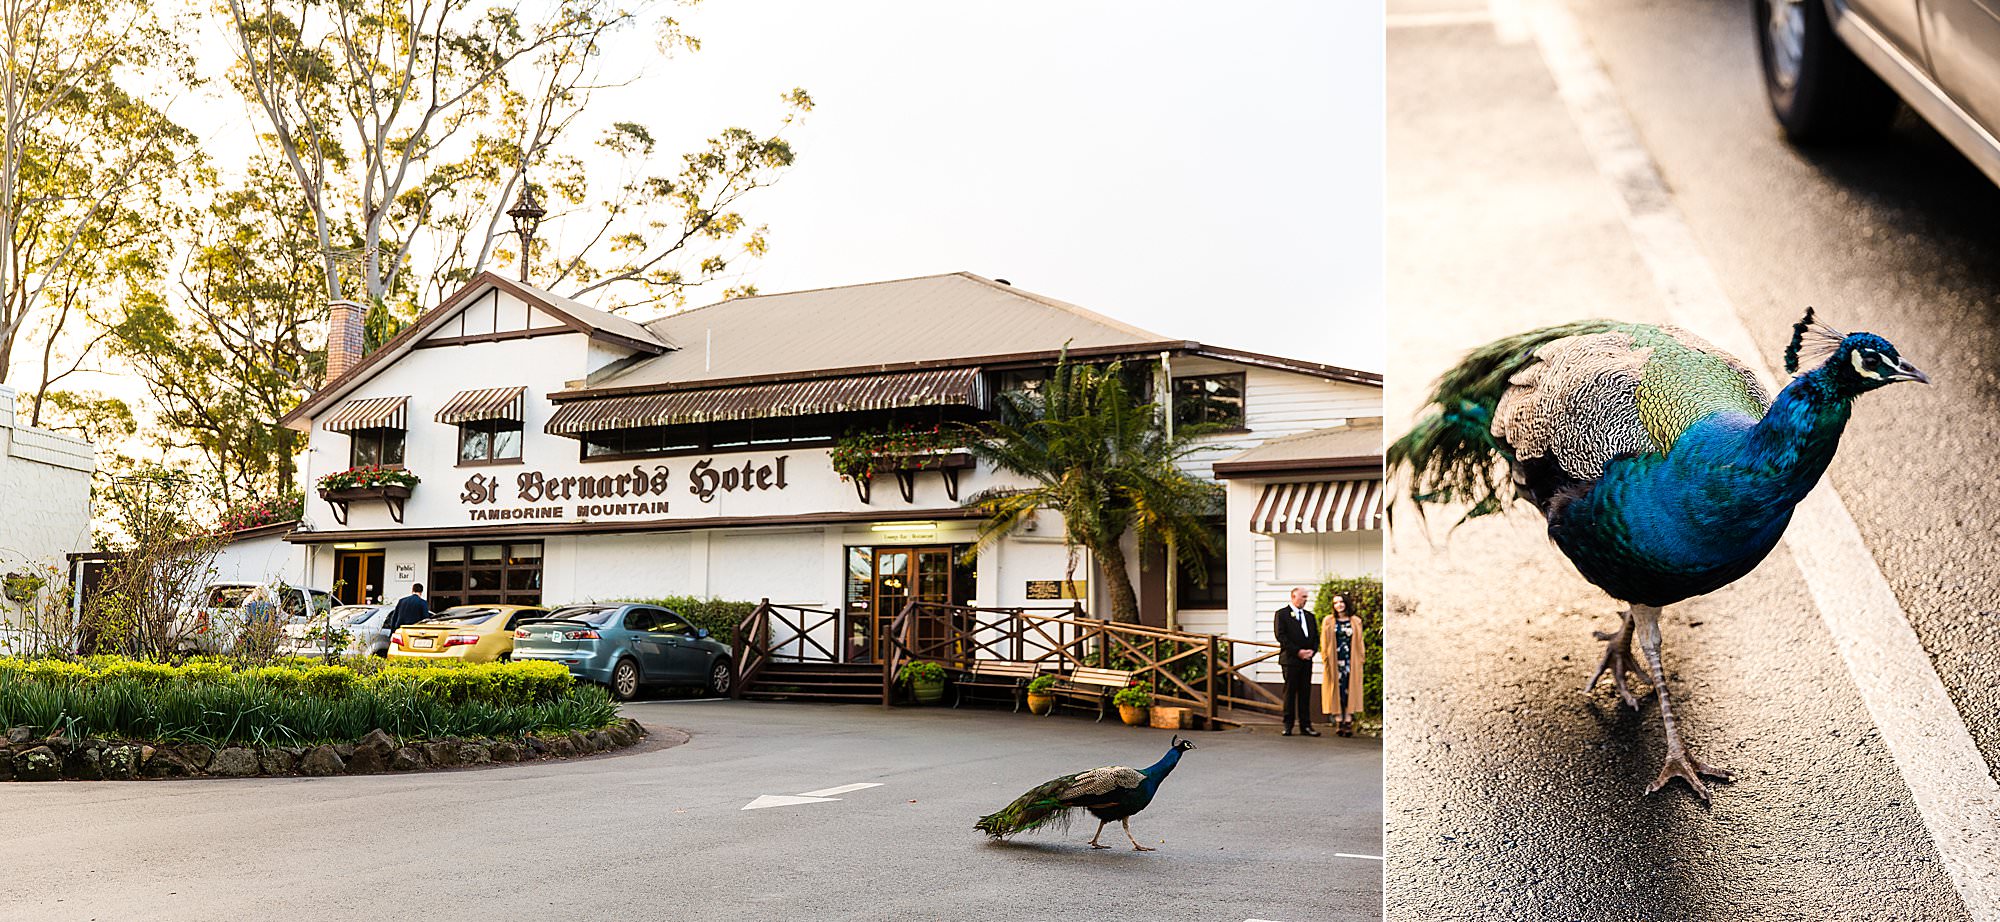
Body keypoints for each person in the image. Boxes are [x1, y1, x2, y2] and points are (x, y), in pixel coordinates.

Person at [1273, 586, 1321, 737]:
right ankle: (1288, 725)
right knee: (1290, 693)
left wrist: (1311, 651)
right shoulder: (1282, 614)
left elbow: (1316, 637)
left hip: (1307, 660)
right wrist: (1298, 652)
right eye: (1303, 597)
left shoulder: (1309, 616)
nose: (1305, 600)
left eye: (1307, 597)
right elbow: (1281, 636)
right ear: (1293, 597)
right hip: (1291, 660)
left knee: (1305, 693)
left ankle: (1305, 726)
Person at [1321, 593, 1366, 737]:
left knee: (1349, 689)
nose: (1338, 605)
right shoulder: (1328, 620)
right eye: (1335, 603)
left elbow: (1359, 642)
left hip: (1350, 660)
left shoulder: (1355, 621)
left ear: (1346, 603)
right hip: (1335, 660)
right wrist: (1325, 658)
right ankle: (1339, 719)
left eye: (1341, 602)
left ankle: (1348, 719)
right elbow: (1324, 642)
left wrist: (1361, 658)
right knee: (1336, 689)